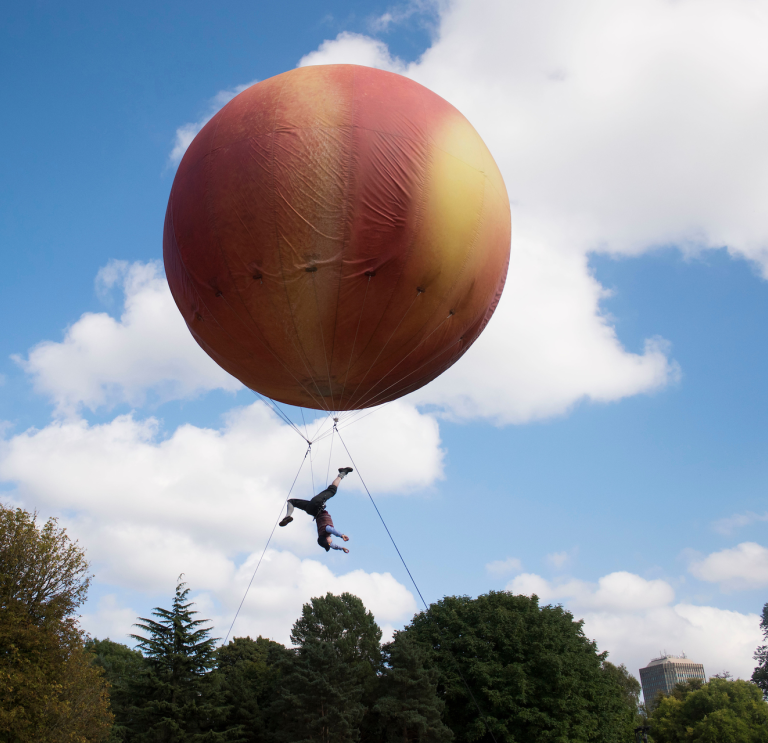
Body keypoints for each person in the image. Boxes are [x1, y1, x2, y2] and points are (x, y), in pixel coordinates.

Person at [279, 467, 353, 553]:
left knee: (332, 490)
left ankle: (343, 473)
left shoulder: (326, 530)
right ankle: (287, 516)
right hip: (311, 510)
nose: (331, 543)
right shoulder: (322, 535)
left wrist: (341, 535)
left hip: (316, 505)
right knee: (291, 501)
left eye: (329, 543)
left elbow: (332, 530)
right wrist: (341, 548)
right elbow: (332, 545)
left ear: (326, 539)